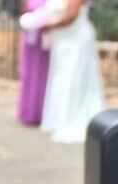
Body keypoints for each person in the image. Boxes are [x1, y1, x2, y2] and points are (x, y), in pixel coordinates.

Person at [41, 0, 105, 143]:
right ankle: (60, 119)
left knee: (72, 80)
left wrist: (49, 26)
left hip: (75, 41)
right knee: (63, 79)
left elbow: (71, 17)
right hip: (65, 40)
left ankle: (71, 118)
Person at [17, 0, 50, 126]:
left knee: (41, 77)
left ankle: (39, 113)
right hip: (30, 40)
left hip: (44, 41)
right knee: (28, 75)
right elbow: (24, 12)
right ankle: (27, 112)